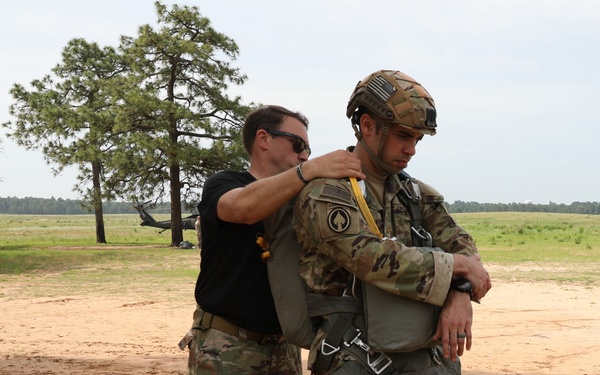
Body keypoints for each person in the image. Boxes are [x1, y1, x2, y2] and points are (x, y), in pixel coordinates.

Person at [292, 70, 492, 375]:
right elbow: (367, 256)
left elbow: (465, 250)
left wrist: (460, 292)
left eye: (417, 139)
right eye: (402, 135)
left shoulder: (414, 193)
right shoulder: (326, 192)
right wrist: (455, 267)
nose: (411, 149)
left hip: (424, 354)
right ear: (367, 125)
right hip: (353, 353)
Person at [181, 105, 365, 374]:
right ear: (263, 139)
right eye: (297, 143)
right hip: (227, 345)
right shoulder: (223, 183)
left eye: (308, 150)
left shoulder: (303, 197)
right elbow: (243, 208)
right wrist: (309, 170)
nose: (304, 154)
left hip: (284, 345)